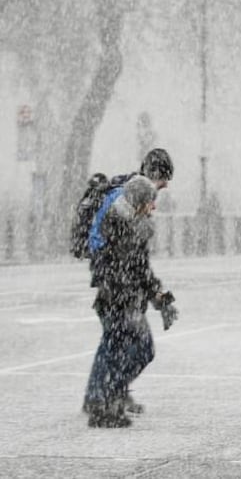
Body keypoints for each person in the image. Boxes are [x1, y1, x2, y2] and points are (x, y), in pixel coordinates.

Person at [83, 148, 174, 421]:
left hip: (122, 297)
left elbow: (140, 268)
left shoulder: (134, 222)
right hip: (117, 298)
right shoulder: (123, 218)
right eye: (164, 179)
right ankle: (104, 399)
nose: (156, 204)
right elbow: (124, 263)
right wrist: (116, 286)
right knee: (125, 347)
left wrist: (159, 296)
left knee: (118, 346)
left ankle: (106, 397)